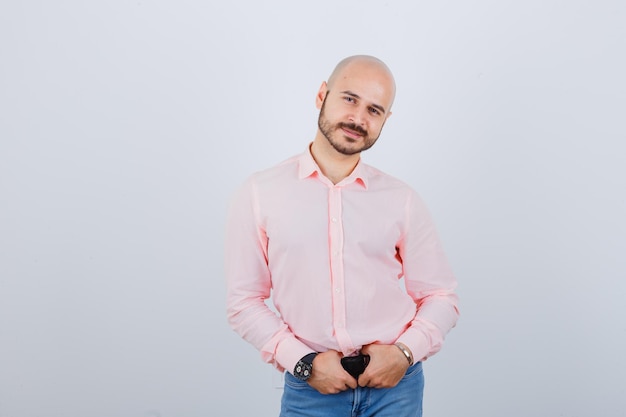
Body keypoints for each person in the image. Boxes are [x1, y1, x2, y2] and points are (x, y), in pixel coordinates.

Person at [225, 55, 459, 417]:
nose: (358, 118)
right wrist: (303, 362)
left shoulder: (402, 199)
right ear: (322, 95)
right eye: (349, 99)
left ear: (386, 120)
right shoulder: (260, 193)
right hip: (310, 389)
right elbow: (244, 302)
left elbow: (441, 296)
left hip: (395, 386)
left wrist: (404, 353)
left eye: (374, 110)